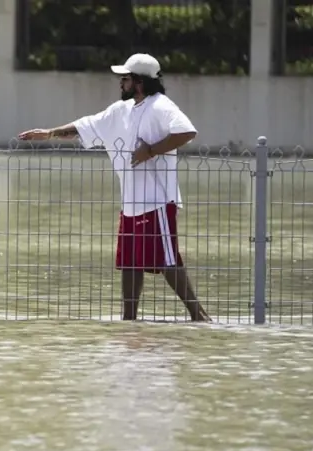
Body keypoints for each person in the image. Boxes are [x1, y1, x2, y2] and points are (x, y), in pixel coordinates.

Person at [18, 53, 211, 322]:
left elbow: (187, 132)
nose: (121, 82)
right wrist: (49, 133)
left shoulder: (161, 106)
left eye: (126, 78)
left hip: (157, 200)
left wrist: (151, 151)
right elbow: (86, 125)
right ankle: (128, 321)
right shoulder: (121, 110)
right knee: (130, 264)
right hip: (131, 203)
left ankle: (199, 317)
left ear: (140, 82)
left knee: (167, 261)